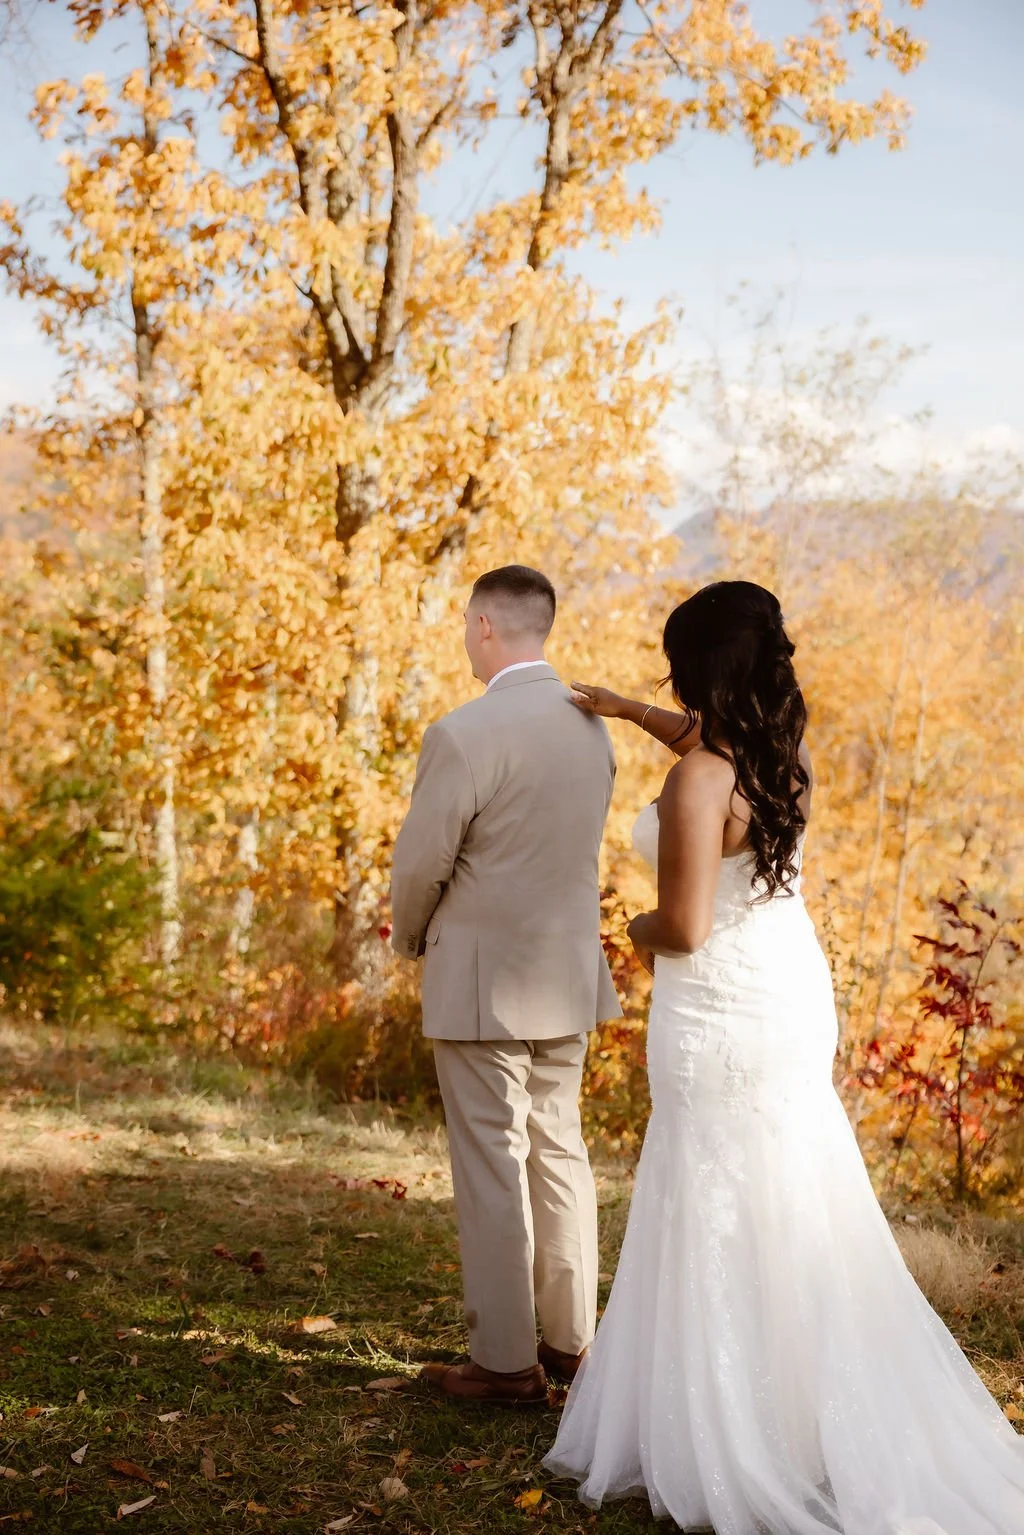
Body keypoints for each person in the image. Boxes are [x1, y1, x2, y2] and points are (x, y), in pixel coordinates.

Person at [544, 580, 1024, 1533]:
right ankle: (804, 1408)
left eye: (673, 665)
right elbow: (699, 747)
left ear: (702, 667)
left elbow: (682, 924)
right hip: (787, 994)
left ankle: (737, 1426)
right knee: (788, 1188)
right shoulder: (777, 753)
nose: (666, 680)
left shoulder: (697, 779)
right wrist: (627, 710)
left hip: (716, 998)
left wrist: (626, 923)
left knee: (711, 1193)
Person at [390, 564, 622, 1406]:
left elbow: (422, 861)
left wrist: (411, 937)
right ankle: (571, 1344)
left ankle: (503, 1364)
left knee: (493, 1162)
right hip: (565, 975)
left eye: (465, 624)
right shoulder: (594, 730)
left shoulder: (465, 732)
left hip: (483, 979)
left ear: (485, 625)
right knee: (559, 1149)